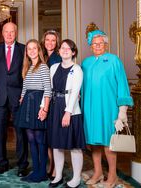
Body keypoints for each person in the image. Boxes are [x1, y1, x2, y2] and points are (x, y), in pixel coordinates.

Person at [82, 30, 133, 187]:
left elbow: (122, 86)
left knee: (108, 143)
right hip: (89, 108)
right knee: (94, 142)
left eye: (101, 43)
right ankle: (98, 172)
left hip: (108, 108)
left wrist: (122, 112)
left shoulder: (114, 60)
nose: (97, 46)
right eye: (94, 43)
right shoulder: (86, 63)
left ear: (106, 44)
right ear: (90, 46)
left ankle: (113, 175)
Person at [0, 22, 29, 177]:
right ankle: (2, 163)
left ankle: (22, 165)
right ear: (2, 33)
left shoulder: (23, 49)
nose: (9, 34)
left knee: (21, 132)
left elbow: (28, 73)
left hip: (19, 97)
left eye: (12, 32)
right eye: (6, 31)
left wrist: (25, 94)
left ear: (16, 33)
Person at [47, 39, 85, 188]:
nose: (64, 50)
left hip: (70, 109)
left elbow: (75, 92)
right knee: (57, 145)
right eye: (62, 48)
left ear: (73, 52)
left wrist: (67, 113)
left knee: (74, 146)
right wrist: (45, 107)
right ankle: (58, 176)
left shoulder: (77, 69)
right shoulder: (54, 67)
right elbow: (49, 89)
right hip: (55, 108)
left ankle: (76, 178)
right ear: (59, 51)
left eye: (68, 49)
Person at [17, 39, 51, 183]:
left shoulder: (43, 67)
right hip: (27, 105)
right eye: (28, 49)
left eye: (34, 48)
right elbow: (25, 88)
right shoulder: (28, 67)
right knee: (31, 140)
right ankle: (35, 170)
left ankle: (42, 172)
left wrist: (45, 109)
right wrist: (21, 99)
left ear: (39, 50)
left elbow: (48, 90)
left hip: (38, 103)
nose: (31, 51)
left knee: (40, 140)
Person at [40, 29, 62, 180]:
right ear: (44, 41)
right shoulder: (43, 56)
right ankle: (51, 164)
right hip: (42, 98)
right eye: (48, 40)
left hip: (54, 100)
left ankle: (55, 168)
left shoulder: (58, 57)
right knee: (47, 136)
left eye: (53, 40)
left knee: (54, 135)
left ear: (57, 42)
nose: (50, 43)